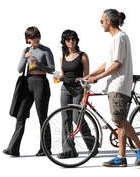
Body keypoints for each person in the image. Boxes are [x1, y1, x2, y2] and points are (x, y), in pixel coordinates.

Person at [84, 9, 140, 167]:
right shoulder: (115, 39)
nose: (101, 24)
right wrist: (91, 74)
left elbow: (117, 64)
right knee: (120, 122)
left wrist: (97, 78)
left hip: (119, 84)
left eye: (101, 21)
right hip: (115, 85)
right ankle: (122, 156)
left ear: (109, 21)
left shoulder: (120, 38)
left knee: (119, 120)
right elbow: (108, 63)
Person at [3, 26, 54, 157]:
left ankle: (45, 149)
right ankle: (13, 148)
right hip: (27, 83)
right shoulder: (26, 50)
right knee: (20, 116)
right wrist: (25, 58)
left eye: (37, 36)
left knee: (42, 116)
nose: (36, 39)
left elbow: (52, 69)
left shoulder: (46, 50)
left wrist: (39, 64)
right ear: (28, 39)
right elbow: (19, 69)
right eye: (32, 37)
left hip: (41, 83)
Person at [55, 29, 98, 159]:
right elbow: (62, 75)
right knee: (65, 119)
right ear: (64, 41)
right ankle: (69, 150)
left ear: (76, 40)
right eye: (68, 39)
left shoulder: (83, 56)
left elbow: (87, 77)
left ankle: (92, 145)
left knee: (76, 117)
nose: (71, 41)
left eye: (73, 39)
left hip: (79, 89)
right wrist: (56, 77)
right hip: (65, 89)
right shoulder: (63, 56)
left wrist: (85, 93)